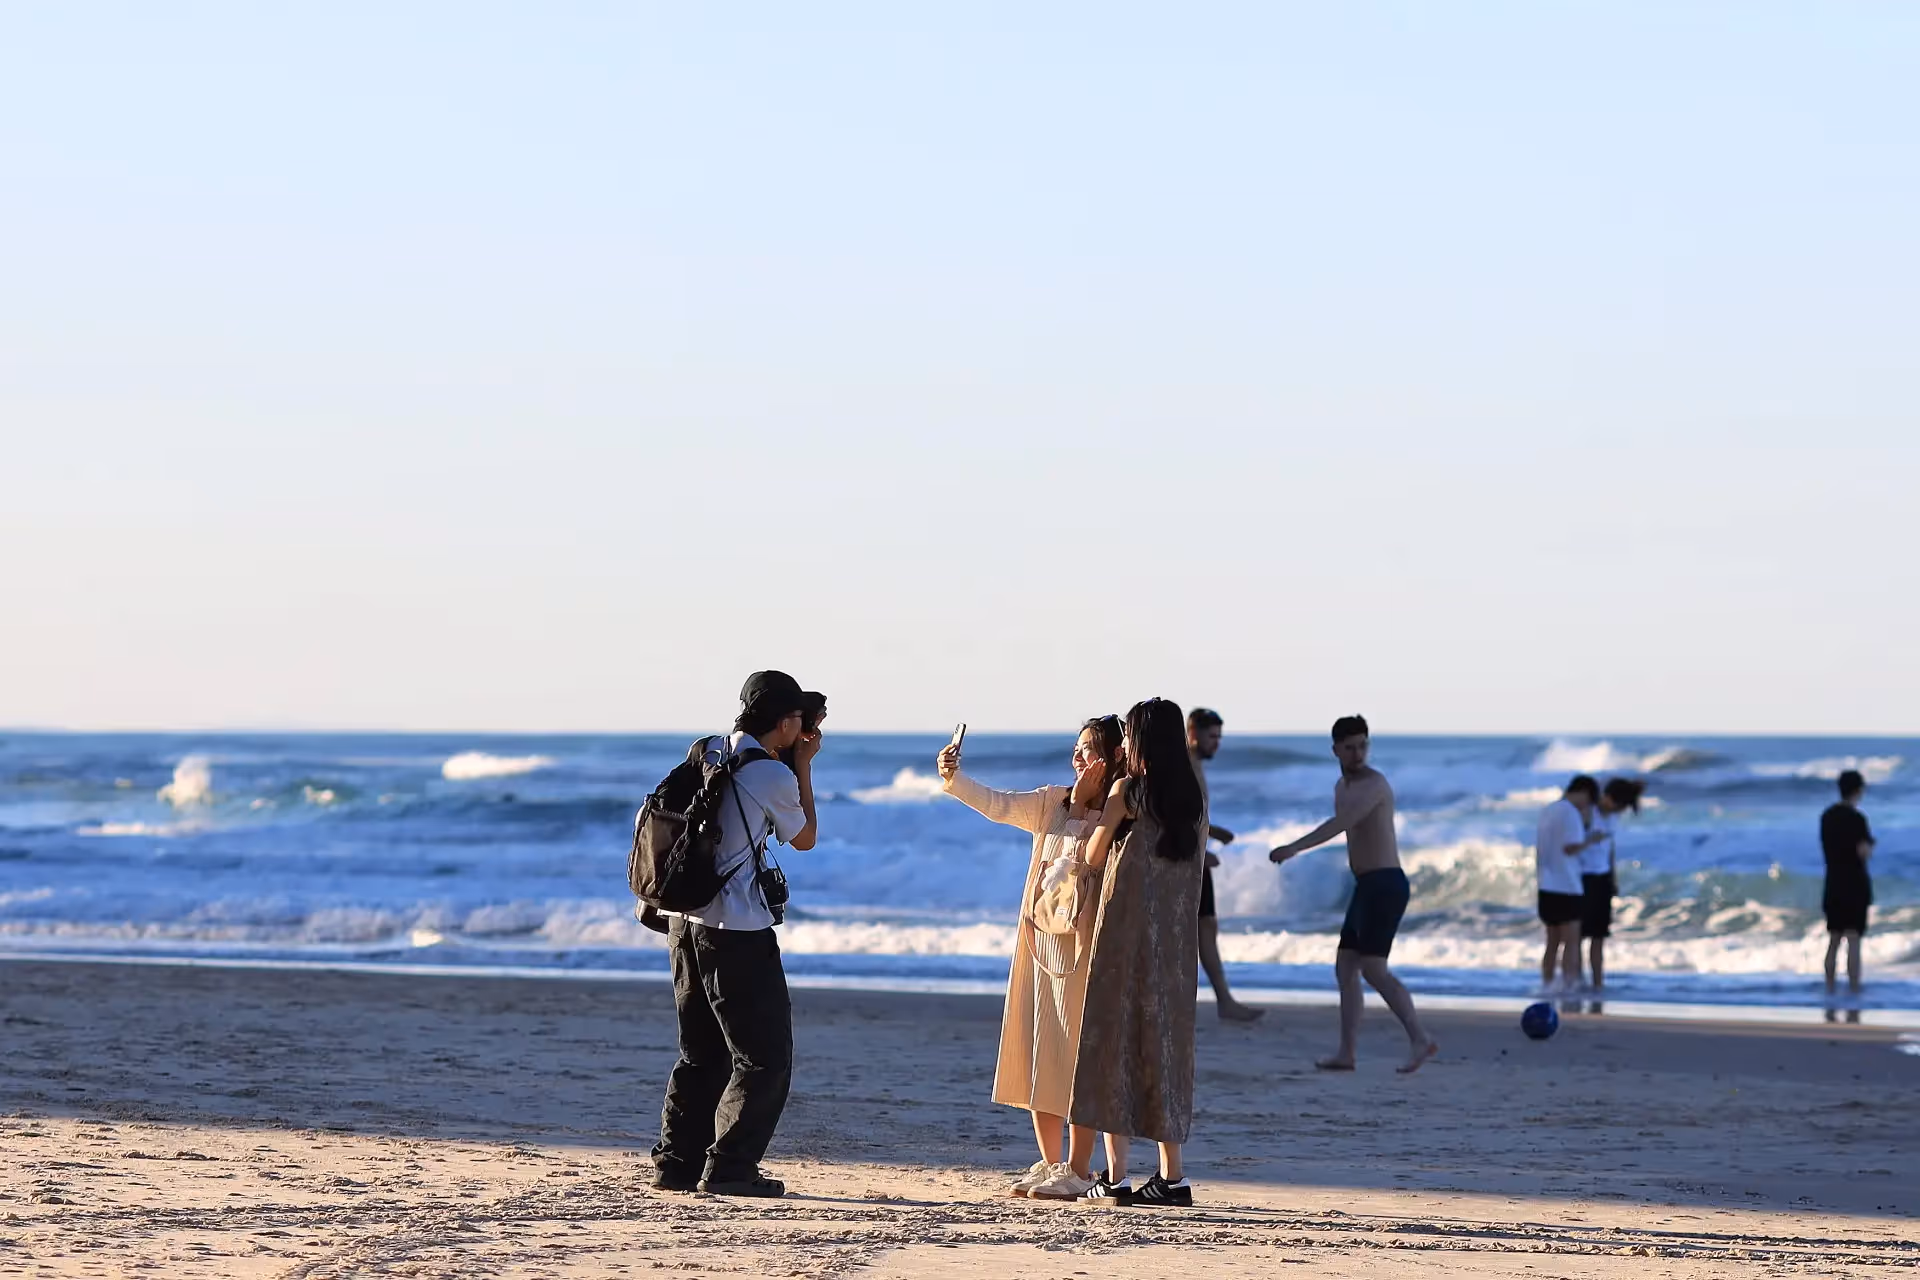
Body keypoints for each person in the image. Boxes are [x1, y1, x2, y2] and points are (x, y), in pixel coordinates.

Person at [934, 715, 1122, 1200]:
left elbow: (1093, 862)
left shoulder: (1121, 810)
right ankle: (1053, 1162)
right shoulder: (1052, 802)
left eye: (1090, 751)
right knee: (1041, 1045)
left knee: (1078, 1056)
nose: (1080, 759)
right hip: (1041, 939)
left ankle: (1079, 1169)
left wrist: (1088, 806)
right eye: (1076, 750)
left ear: (1115, 757)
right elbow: (998, 805)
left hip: (1086, 947)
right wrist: (954, 779)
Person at [652, 671, 822, 1199]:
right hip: (737, 930)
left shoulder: (707, 750)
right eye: (800, 721)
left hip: (684, 921)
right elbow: (805, 838)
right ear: (787, 722)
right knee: (765, 1057)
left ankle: (677, 1164)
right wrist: (803, 769)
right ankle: (729, 1167)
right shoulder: (772, 775)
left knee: (700, 1051)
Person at [1071, 698, 1209, 1208]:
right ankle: (1173, 1178)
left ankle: (1116, 1177)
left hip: (1122, 941)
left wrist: (1089, 803)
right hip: (1173, 951)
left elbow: (1093, 855)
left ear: (1143, 742)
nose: (1123, 745)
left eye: (1129, 737)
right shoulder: (1193, 800)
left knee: (1113, 1050)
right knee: (1163, 1052)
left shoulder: (1128, 791)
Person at [1270, 715, 1437, 1074]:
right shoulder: (1341, 787)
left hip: (1387, 884)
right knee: (1346, 967)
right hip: (1366, 886)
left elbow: (1339, 825)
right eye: (1350, 747)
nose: (1358, 753)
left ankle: (1420, 1039)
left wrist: (1294, 847)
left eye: (1363, 745)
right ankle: (1347, 1053)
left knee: (1374, 970)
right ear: (1336, 750)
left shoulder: (1375, 785)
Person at [1186, 708, 1262, 1023]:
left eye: (1219, 737)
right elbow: (1175, 817)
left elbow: (1192, 816)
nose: (1217, 743)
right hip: (1190, 860)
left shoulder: (1195, 765)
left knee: (1206, 929)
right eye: (1212, 736)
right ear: (1193, 734)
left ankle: (1223, 999)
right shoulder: (1186, 766)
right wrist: (1200, 851)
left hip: (1196, 856)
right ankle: (1222, 1001)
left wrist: (1213, 832)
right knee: (1198, 931)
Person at [1536, 776, 1605, 992]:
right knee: (1571, 942)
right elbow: (1570, 848)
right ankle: (1569, 985)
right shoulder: (1571, 813)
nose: (1588, 806)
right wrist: (1591, 840)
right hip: (1567, 884)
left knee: (1552, 942)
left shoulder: (1549, 810)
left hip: (1546, 884)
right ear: (1583, 792)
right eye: (1589, 800)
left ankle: (1547, 985)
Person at [1581, 778, 1646, 991]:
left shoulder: (1612, 818)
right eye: (1619, 805)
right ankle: (1574, 980)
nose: (1620, 810)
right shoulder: (1587, 814)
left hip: (1602, 878)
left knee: (1599, 935)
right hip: (1581, 878)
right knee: (1577, 936)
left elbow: (1610, 849)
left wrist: (1613, 879)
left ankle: (1598, 983)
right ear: (1609, 797)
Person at [1821, 769, 1875, 995]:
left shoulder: (1827, 816)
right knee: (1853, 940)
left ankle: (1830, 989)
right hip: (1855, 884)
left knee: (1834, 940)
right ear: (1858, 790)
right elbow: (1863, 852)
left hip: (1833, 883)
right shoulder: (1858, 819)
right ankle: (1854, 990)